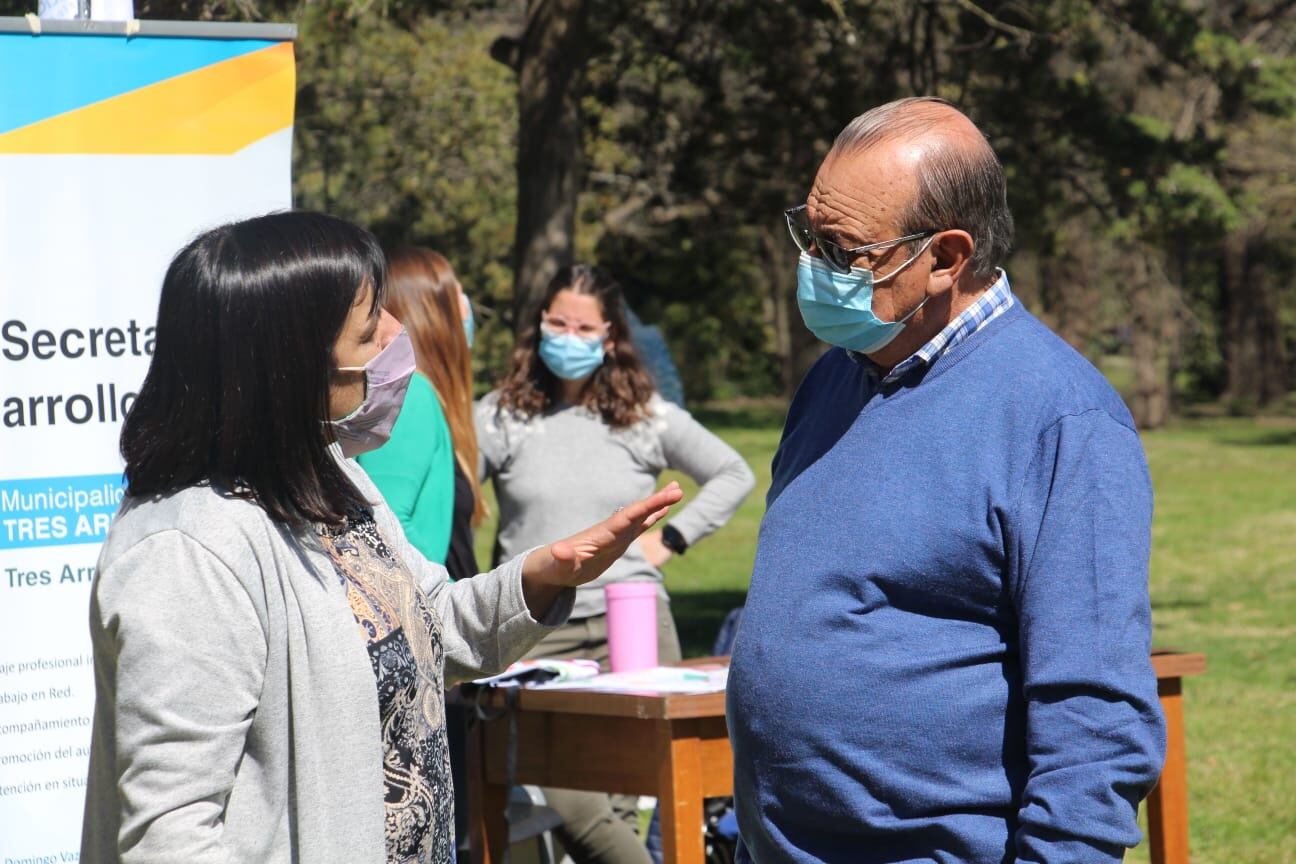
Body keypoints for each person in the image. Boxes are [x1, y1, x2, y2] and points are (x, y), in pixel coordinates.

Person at [80, 212, 683, 864]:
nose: (398, 335)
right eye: (371, 328)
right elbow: (171, 836)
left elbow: (426, 625)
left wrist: (544, 575)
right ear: (287, 359)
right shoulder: (185, 552)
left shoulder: (328, 471)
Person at [727, 97, 1167, 863]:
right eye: (809, 234)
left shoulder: (1061, 417)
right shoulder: (834, 379)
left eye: (843, 250)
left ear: (946, 257)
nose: (813, 268)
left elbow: (1096, 719)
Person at [477, 264, 755, 864]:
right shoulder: (500, 416)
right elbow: (446, 496)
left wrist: (669, 542)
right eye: (557, 322)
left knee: (626, 798)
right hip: (534, 625)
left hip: (631, 619)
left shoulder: (644, 414)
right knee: (558, 787)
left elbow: (734, 472)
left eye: (583, 327)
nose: (568, 337)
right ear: (538, 326)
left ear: (609, 337)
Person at [357, 246, 485, 582]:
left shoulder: (428, 396)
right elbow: (390, 520)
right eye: (457, 293)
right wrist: (445, 601)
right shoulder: (412, 395)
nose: (467, 307)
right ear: (433, 309)